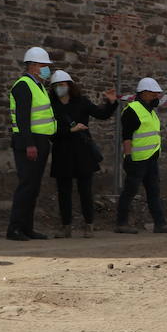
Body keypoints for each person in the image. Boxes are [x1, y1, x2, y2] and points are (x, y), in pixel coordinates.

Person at [48, 70, 117, 238]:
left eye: (62, 85)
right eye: (56, 86)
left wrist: (111, 102)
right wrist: (71, 129)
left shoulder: (82, 102)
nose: (59, 88)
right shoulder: (50, 105)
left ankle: (89, 225)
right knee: (63, 192)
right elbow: (49, 131)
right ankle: (66, 226)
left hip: (82, 152)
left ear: (70, 86)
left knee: (85, 191)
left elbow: (102, 114)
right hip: (62, 151)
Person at [115, 77, 167, 235]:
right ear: (144, 93)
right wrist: (127, 157)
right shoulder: (132, 110)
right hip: (137, 160)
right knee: (130, 191)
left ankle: (160, 224)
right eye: (154, 94)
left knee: (154, 191)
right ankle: (121, 223)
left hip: (151, 158)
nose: (157, 97)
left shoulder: (150, 111)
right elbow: (127, 136)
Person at [7, 46, 58, 241]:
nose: (47, 69)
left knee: (34, 187)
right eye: (44, 65)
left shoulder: (39, 86)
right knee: (27, 185)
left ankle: (27, 228)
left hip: (40, 140)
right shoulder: (23, 85)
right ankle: (15, 228)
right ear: (34, 65)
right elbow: (22, 118)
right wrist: (29, 144)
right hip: (29, 141)